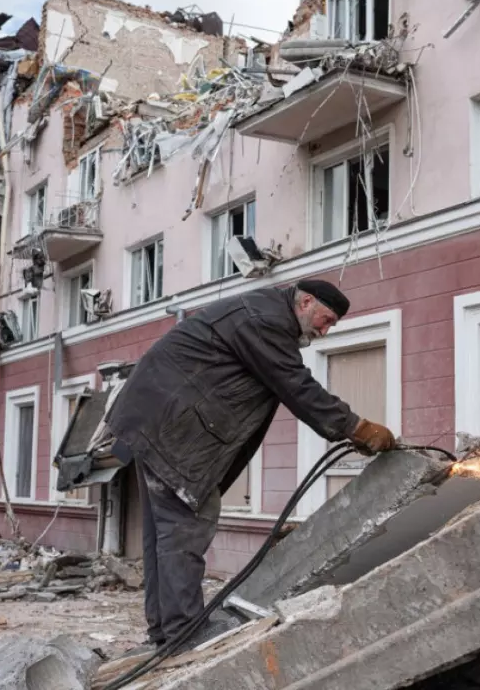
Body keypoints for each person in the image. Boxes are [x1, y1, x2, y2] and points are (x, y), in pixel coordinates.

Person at [106, 279, 396, 655]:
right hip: (172, 430)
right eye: (325, 320)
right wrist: (357, 428)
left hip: (154, 422)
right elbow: (297, 387)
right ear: (305, 302)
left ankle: (165, 630)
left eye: (331, 326)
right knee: (185, 528)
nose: (324, 331)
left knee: (163, 535)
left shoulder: (263, 310)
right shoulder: (267, 321)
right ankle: (183, 633)